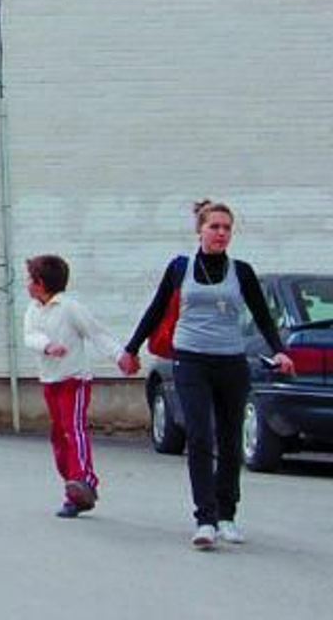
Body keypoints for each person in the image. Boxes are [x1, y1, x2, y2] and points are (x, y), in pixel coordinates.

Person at [117, 200, 294, 549]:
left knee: (230, 440)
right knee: (199, 435)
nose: (221, 233)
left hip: (230, 362)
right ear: (200, 230)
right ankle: (205, 519)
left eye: (227, 228)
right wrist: (131, 347)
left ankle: (227, 515)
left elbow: (262, 315)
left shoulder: (241, 271)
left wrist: (279, 350)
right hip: (191, 360)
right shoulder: (179, 268)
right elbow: (156, 308)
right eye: (214, 226)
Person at [22, 254, 122, 518]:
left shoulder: (69, 308)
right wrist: (47, 345)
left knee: (73, 429)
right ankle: (74, 488)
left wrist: (120, 356)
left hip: (74, 380)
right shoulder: (33, 309)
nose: (27, 284)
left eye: (30, 279)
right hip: (50, 380)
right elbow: (29, 336)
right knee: (58, 434)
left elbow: (96, 333)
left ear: (41, 283)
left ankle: (84, 480)